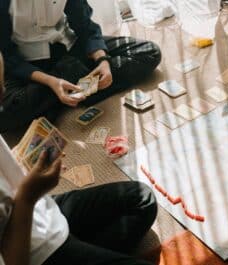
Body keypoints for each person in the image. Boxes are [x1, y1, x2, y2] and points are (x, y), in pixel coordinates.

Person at [0, 52, 158, 265]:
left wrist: (16, 162)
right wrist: (28, 195)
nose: (2, 93)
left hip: (42, 211)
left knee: (142, 199)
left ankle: (81, 248)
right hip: (33, 249)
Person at [0, 0, 162, 132]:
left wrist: (102, 60)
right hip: (27, 65)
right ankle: (73, 84)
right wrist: (50, 81)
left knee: (148, 52)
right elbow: (7, 55)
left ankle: (62, 94)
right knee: (4, 115)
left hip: (71, 49)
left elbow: (85, 25)